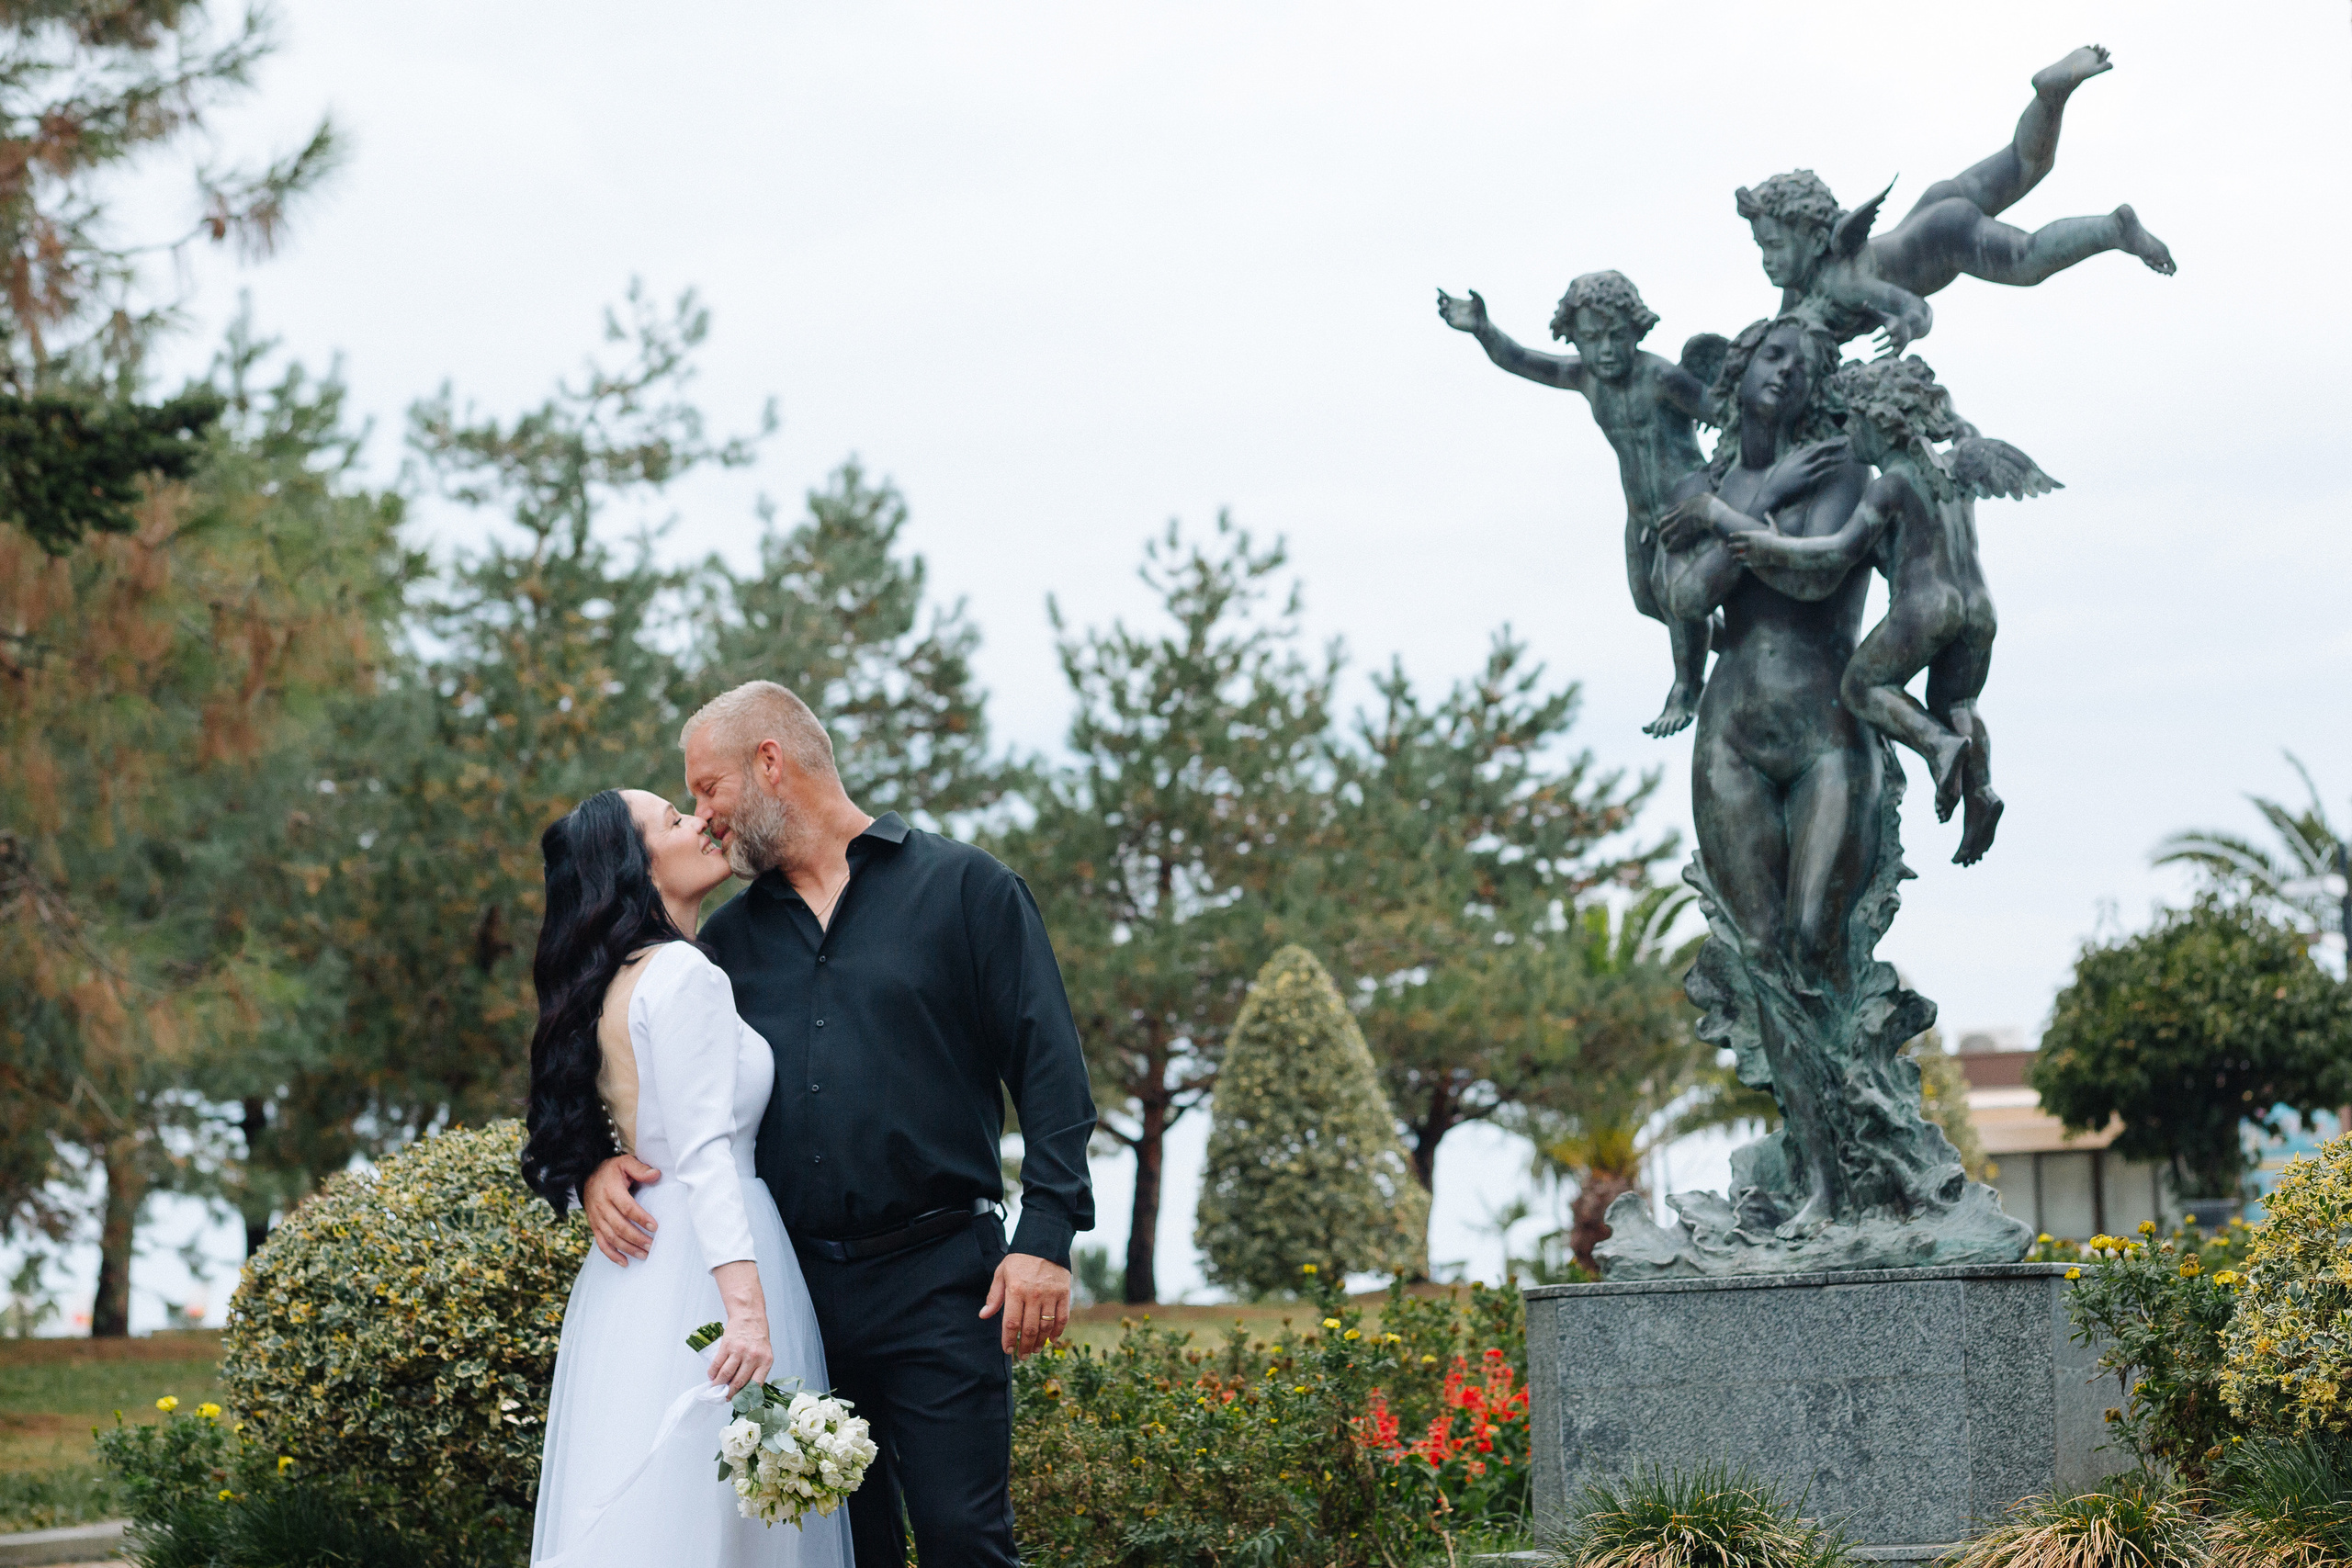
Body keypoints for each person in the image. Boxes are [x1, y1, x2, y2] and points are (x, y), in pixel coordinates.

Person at [582, 680, 1096, 1568]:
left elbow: (1049, 1067)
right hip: (799, 1291)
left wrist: (1046, 1234)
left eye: (708, 787)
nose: (704, 816)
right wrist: (595, 1158)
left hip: (944, 1279)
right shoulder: (725, 945)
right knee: (838, 1553)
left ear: (769, 763)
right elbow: (637, 1058)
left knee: (965, 1540)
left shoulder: (966, 889)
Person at [521, 789, 849, 1568]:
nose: (701, 821)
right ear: (634, 868)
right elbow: (705, 1155)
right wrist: (749, 1316)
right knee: (720, 1519)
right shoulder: (684, 974)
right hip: (709, 1267)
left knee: (660, 1514)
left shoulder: (617, 978)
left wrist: (594, 1170)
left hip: (637, 1281)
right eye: (674, 820)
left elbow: (614, 1120)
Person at [1653, 312, 1882, 1234]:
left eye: (1809, 364)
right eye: (1774, 356)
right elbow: (1685, 595)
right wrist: (1743, 504)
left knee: (1812, 937)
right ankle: (1819, 1179)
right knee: (1763, 953)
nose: (1790, 372)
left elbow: (1810, 581)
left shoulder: (1838, 471)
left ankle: (1863, 1164)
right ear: (1741, 369)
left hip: (1826, 731)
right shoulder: (1701, 484)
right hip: (1731, 737)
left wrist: (1723, 520)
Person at [1702, 355, 2058, 867]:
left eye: (1854, 421)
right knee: (1960, 699)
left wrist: (1770, 547)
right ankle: (1981, 790)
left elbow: (1837, 551)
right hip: (1979, 608)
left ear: (1881, 421)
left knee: (1861, 686)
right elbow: (1962, 431)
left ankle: (1937, 745)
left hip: (1927, 606)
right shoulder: (1956, 467)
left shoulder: (1890, 483)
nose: (1850, 435)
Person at [1436, 271, 1725, 737]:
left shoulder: (1662, 377)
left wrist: (1724, 483)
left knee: (1673, 596)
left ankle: (1686, 688)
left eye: (1616, 336)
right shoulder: (1586, 377)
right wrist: (1483, 330)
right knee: (1647, 601)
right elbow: (1522, 360)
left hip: (1685, 503)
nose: (1605, 350)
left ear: (1637, 330)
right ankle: (1733, 640)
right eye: (1591, 339)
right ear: (1573, 336)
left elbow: (1727, 414)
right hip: (1641, 515)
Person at [1737, 46, 2174, 354]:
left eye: (1773, 246)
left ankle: (2113, 229)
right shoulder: (1801, 289)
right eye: (1762, 247)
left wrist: (1907, 327)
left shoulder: (1843, 283)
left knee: (2027, 260)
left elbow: (1917, 308)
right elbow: (1781, 330)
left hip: (1942, 236)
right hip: (1933, 208)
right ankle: (2049, 96)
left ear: (1816, 241)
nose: (1766, 261)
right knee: (2024, 164)